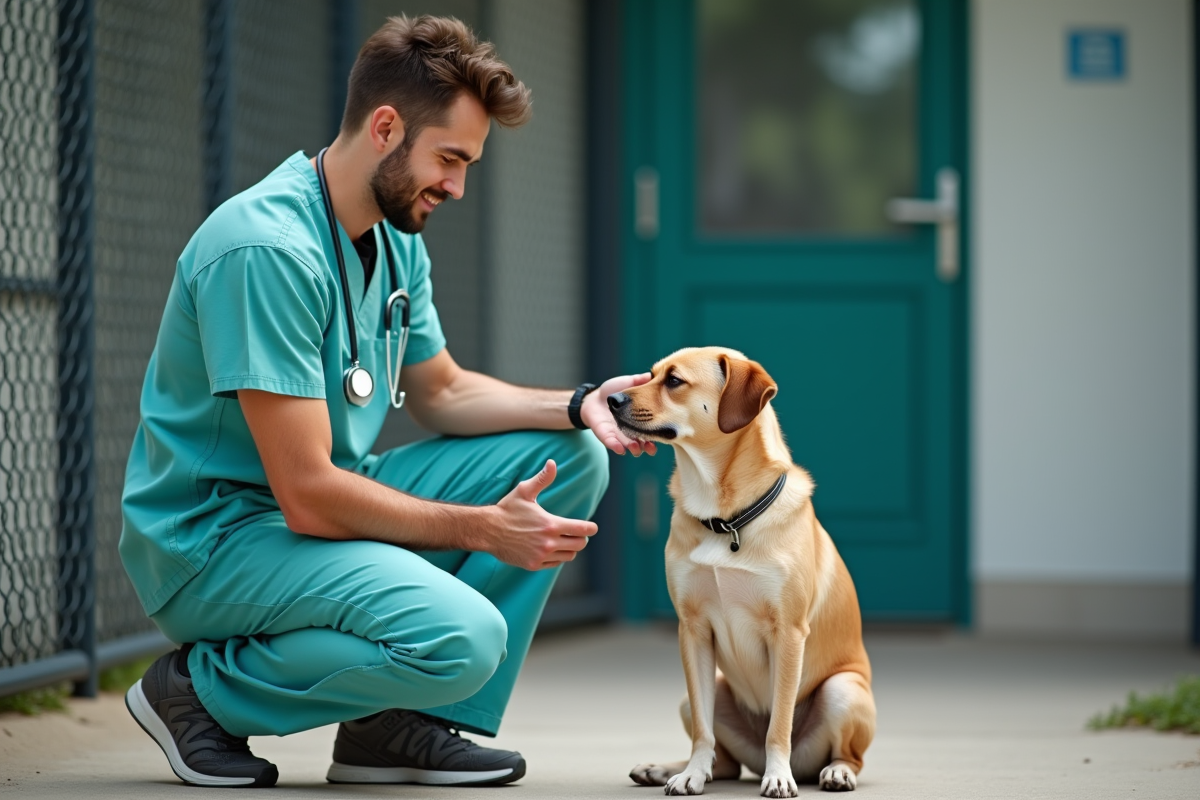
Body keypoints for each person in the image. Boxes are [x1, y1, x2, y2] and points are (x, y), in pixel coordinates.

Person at [119, 15, 654, 790]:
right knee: (466, 639)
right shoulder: (267, 251)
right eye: (449, 158)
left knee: (567, 458)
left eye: (467, 164)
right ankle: (198, 694)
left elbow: (443, 391)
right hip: (217, 541)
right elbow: (306, 494)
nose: (457, 185)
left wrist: (578, 405)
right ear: (384, 127)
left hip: (317, 506)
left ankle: (394, 730)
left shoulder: (397, 237)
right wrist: (481, 529)